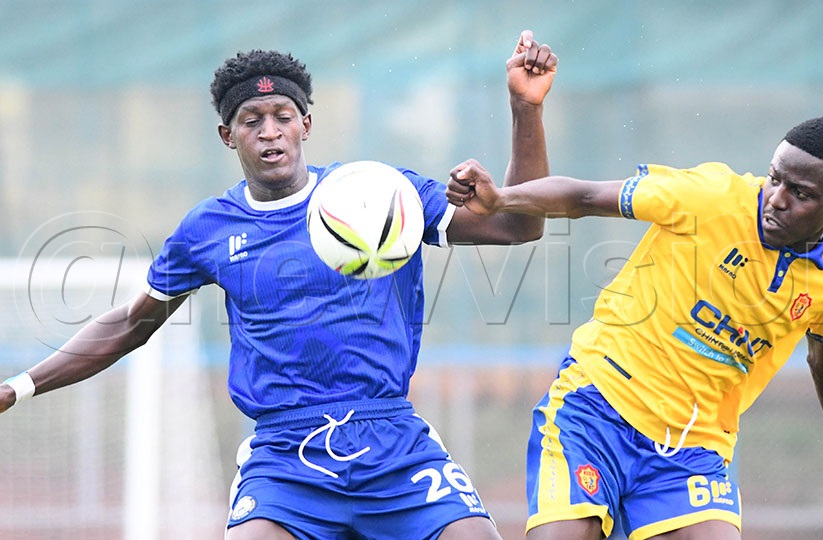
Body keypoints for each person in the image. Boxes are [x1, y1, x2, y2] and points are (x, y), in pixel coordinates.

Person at [1, 31, 558, 539]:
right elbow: (128, 324)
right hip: (285, 457)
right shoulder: (208, 229)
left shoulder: (381, 193)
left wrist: (524, 108)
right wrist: (18, 386)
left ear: (305, 124)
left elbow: (519, 225)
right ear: (228, 135)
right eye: (252, 120)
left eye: (283, 115)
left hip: (392, 443)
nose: (270, 132)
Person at [446, 117, 823, 539]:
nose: (777, 199)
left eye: (800, 193)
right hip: (597, 408)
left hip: (695, 447)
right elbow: (585, 196)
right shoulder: (711, 195)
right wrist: (501, 199)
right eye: (774, 179)